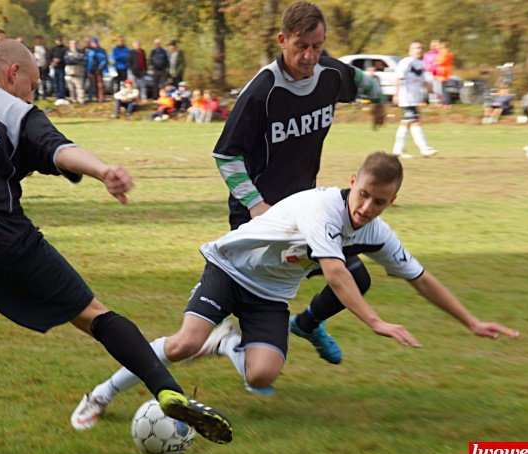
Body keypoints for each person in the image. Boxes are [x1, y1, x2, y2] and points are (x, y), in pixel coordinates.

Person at [68, 1, 401, 429]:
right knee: (188, 341)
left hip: (307, 218)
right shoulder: (262, 91)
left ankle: (304, 324)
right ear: (282, 41)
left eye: (318, 47)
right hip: (258, 224)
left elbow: (359, 78)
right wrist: (257, 205)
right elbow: (226, 155)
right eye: (302, 47)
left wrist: (376, 101)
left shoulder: (328, 72)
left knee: (355, 276)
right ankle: (118, 386)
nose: (310, 57)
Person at [0, 39, 233, 445]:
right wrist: (103, 171)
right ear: (13, 73)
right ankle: (167, 389)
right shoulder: (16, 109)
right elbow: (60, 149)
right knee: (93, 314)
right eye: (34, 84)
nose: (33, 94)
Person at [68, 152, 520, 404]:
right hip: (230, 269)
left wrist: (472, 322)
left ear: (392, 201)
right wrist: (376, 321)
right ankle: (101, 395)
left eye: (379, 202)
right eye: (363, 195)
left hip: (270, 295)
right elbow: (336, 274)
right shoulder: (321, 209)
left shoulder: (377, 231)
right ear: (352, 181)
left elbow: (422, 279)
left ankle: (227, 344)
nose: (366, 208)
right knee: (185, 343)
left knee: (262, 376)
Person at [392, 41, 437, 159]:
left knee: (406, 123)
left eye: (421, 48)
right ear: (410, 50)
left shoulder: (421, 64)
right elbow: (398, 78)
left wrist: (435, 94)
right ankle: (424, 148)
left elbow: (425, 82)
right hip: (406, 97)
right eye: (416, 48)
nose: (419, 50)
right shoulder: (406, 62)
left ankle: (398, 149)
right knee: (414, 121)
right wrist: (395, 94)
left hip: (414, 98)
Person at [64, 39, 87, 104]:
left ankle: (81, 100)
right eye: (71, 44)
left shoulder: (81, 52)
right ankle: (73, 100)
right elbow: (67, 61)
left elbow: (84, 60)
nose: (73, 45)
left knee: (80, 87)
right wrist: (77, 60)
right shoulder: (67, 52)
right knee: (71, 88)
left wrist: (73, 59)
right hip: (69, 72)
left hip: (79, 72)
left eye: (74, 44)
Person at [86, 38, 107, 103]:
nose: (94, 44)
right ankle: (91, 98)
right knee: (92, 84)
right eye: (93, 43)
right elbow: (87, 61)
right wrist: (88, 70)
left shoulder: (101, 50)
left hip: (99, 70)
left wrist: (100, 67)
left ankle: (101, 98)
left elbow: (104, 60)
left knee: (100, 85)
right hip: (91, 70)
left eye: (95, 43)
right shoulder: (89, 51)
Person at [433, 41, 453, 108]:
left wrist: (435, 62)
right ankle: (446, 103)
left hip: (442, 73)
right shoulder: (449, 53)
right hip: (446, 72)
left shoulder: (443, 53)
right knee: (444, 89)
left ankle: (446, 103)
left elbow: (440, 61)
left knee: (443, 90)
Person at [50, 36, 68, 105]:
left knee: (61, 82)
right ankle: (58, 96)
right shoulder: (53, 49)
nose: (58, 42)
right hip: (55, 68)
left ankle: (62, 96)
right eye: (57, 40)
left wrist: (59, 60)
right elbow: (49, 57)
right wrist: (52, 62)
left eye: (60, 40)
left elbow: (66, 58)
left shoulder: (65, 49)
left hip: (61, 67)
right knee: (56, 82)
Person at [32, 35, 50, 101]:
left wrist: (47, 63)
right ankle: (36, 96)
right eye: (37, 39)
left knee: (44, 81)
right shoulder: (33, 48)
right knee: (36, 82)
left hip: (43, 66)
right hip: (36, 66)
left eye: (40, 39)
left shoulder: (45, 48)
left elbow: (48, 57)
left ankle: (44, 96)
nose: (38, 41)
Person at [423, 40, 440, 104]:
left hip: (437, 73)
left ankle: (439, 100)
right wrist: (428, 69)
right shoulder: (427, 54)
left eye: (436, 45)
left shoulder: (440, 53)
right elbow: (425, 63)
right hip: (429, 73)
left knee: (437, 87)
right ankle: (432, 100)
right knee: (430, 86)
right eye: (433, 45)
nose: (434, 47)